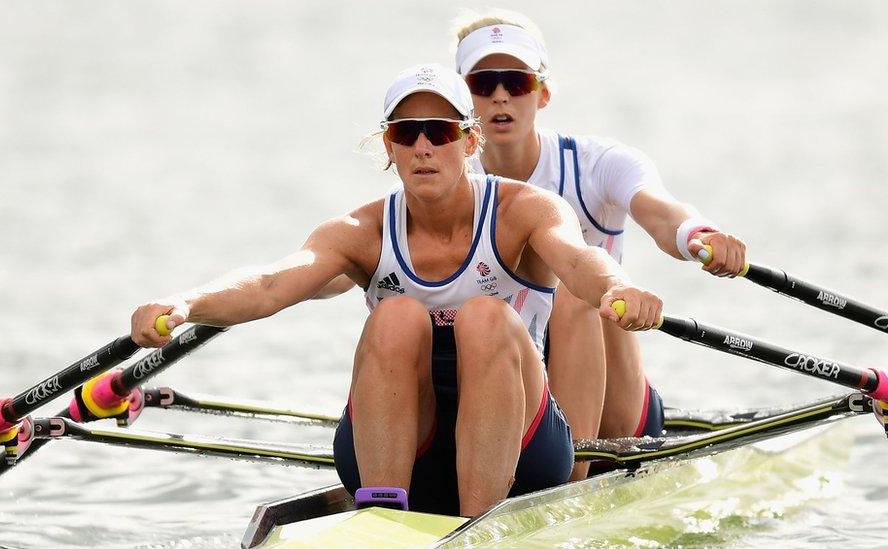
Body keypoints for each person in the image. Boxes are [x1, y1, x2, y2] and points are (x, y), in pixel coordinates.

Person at [130, 63, 663, 517]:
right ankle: (382, 515)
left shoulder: (524, 210)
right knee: (396, 316)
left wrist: (617, 285)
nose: (424, 146)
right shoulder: (359, 232)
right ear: (390, 145)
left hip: (520, 451)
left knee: (486, 316)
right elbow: (272, 283)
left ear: (469, 140)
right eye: (407, 133)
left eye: (440, 130)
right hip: (405, 445)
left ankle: (479, 525)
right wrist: (185, 305)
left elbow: (578, 259)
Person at [452, 10, 748, 479]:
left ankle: (572, 482)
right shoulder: (443, 183)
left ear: (543, 93)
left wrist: (698, 235)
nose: (501, 95)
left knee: (577, 289)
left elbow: (660, 210)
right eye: (483, 83)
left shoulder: (597, 164)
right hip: (507, 380)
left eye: (517, 80)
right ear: (462, 98)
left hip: (615, 406)